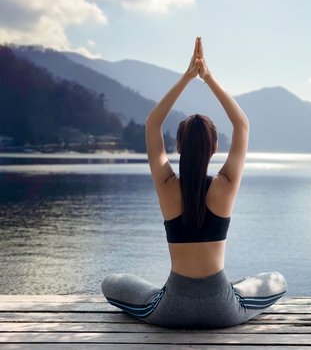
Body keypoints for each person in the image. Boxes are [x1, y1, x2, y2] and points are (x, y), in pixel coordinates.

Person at [101, 37, 286, 328]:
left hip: (171, 309)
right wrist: (208, 78)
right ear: (214, 149)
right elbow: (242, 125)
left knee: (111, 282)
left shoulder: (167, 185)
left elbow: (152, 124)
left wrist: (187, 77)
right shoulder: (225, 186)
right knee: (277, 280)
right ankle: (238, 287)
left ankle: (231, 288)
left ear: (178, 147)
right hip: (222, 310)